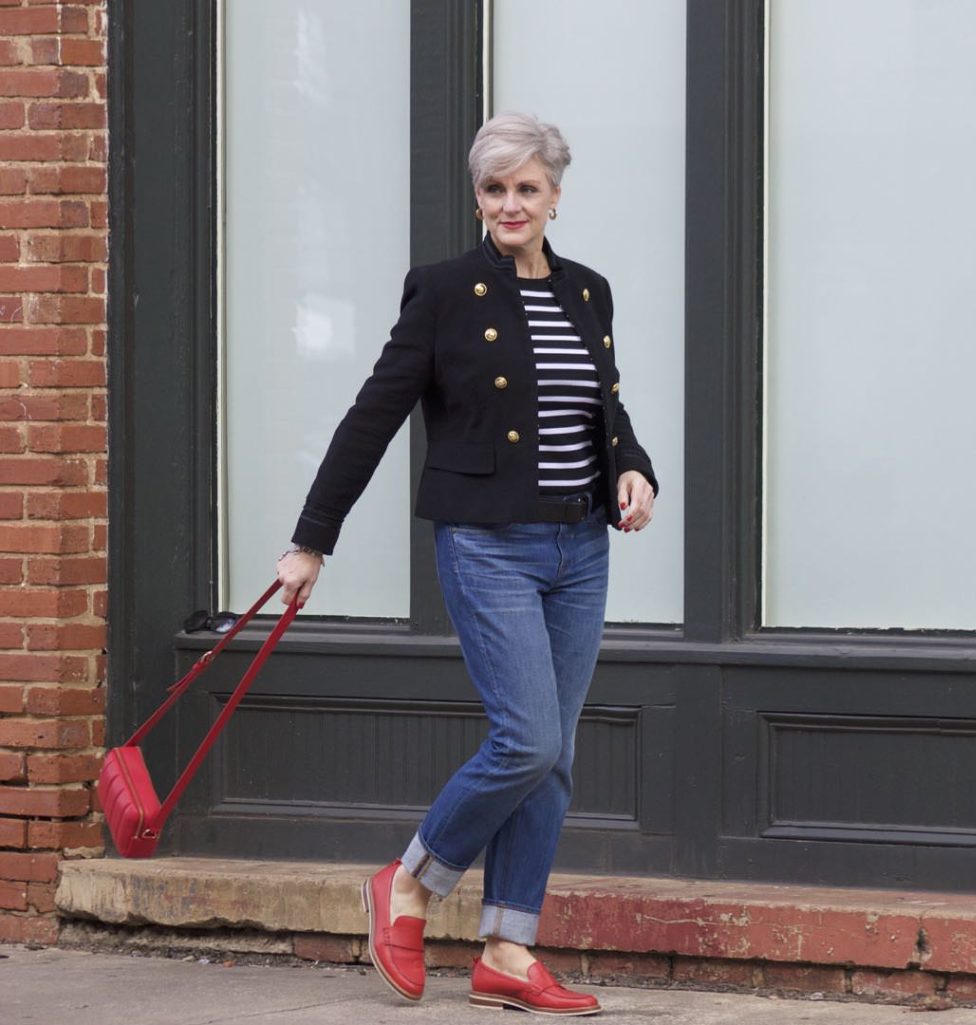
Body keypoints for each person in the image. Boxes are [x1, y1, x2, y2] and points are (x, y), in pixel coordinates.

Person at [277, 112, 657, 1017]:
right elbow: (371, 416)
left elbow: (598, 404)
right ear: (478, 198)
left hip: (579, 546)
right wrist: (310, 539)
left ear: (555, 196)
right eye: (495, 189)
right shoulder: (443, 291)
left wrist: (633, 464)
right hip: (486, 543)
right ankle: (407, 883)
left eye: (527, 187)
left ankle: (509, 949)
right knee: (525, 736)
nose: (510, 204)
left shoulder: (589, 293)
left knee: (553, 755)